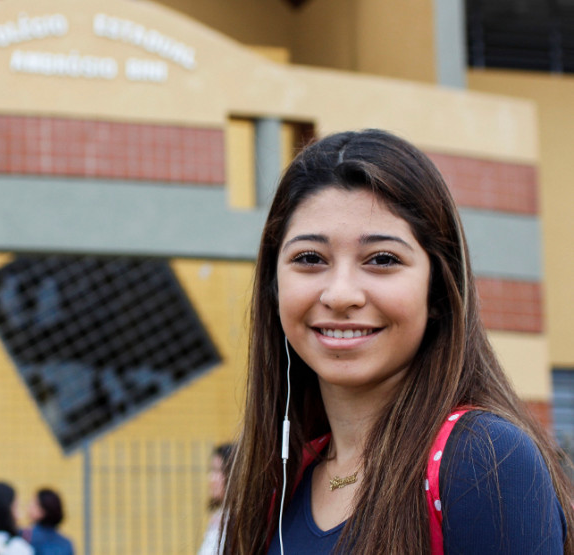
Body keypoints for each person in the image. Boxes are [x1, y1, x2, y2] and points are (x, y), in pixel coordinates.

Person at [220, 129, 574, 554]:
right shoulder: (281, 478)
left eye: (382, 259)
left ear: (438, 291)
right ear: (274, 287)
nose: (340, 294)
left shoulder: (485, 461)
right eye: (310, 258)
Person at [198, 443, 233, 555]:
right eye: (211, 470)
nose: (211, 478)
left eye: (218, 471)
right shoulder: (218, 517)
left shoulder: (236, 521)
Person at [23, 488, 74, 555]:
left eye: (34, 504)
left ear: (43, 510)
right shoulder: (66, 543)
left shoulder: (26, 536)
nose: (29, 506)